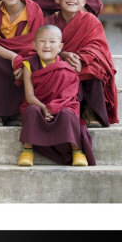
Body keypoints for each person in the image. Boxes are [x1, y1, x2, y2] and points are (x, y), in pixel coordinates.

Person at [17, 24, 96, 167]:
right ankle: (27, 150)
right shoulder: (29, 65)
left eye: (52, 42)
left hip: (61, 108)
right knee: (31, 110)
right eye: (41, 41)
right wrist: (44, 108)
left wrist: (53, 109)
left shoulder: (66, 68)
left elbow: (69, 97)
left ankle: (76, 151)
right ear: (34, 45)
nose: (46, 45)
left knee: (69, 114)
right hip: (39, 107)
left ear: (60, 47)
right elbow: (29, 96)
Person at [45, 0, 119, 127]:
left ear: (83, 1)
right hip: (57, 62)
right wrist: (62, 55)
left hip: (82, 62)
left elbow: (98, 47)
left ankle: (91, 110)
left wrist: (80, 58)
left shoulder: (91, 21)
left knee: (95, 68)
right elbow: (41, 46)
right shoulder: (48, 22)